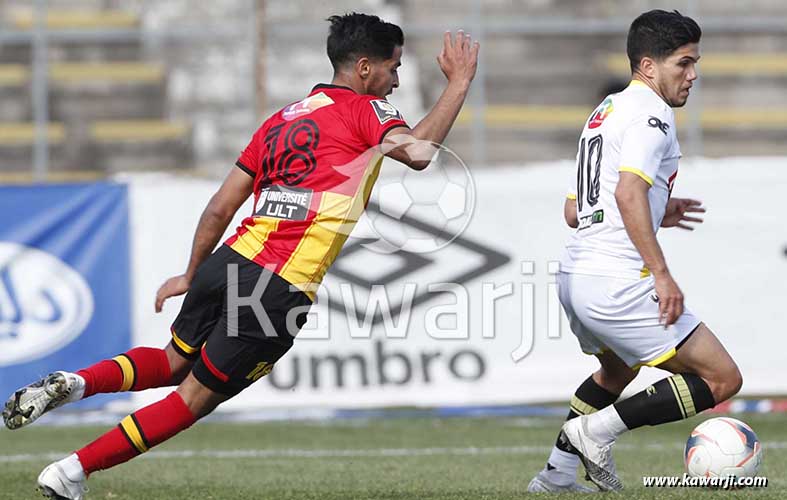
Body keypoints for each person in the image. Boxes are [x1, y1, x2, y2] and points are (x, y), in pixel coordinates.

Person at [2, 13, 479, 499]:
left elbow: (220, 206)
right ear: (362, 69)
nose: (396, 81)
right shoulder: (366, 110)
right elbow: (419, 153)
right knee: (192, 401)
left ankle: (75, 382)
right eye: (393, 68)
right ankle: (71, 471)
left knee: (171, 364)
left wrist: (192, 273)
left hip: (229, 260)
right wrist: (459, 83)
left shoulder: (280, 120)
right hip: (280, 285)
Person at [528, 10, 742, 492]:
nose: (693, 75)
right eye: (683, 64)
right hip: (616, 278)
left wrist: (657, 208)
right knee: (722, 379)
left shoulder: (604, 111)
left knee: (616, 371)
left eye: (695, 63)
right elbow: (626, 194)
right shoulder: (653, 113)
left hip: (577, 274)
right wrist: (661, 272)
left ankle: (556, 477)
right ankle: (593, 434)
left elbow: (574, 210)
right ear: (648, 66)